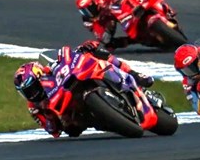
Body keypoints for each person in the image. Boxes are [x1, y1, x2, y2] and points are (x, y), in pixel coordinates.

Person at [13, 39, 154, 138]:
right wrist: (50, 116)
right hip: (79, 118)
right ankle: (115, 120)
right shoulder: (35, 107)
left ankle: (134, 75)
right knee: (72, 129)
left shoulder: (50, 72)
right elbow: (53, 131)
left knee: (94, 52)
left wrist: (81, 51)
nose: (31, 94)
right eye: (26, 92)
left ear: (40, 77)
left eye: (32, 88)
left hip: (75, 83)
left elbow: (64, 59)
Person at [74, 0, 150, 51]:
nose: (86, 12)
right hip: (106, 22)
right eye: (83, 10)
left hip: (115, 10)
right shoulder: (87, 20)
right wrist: (99, 21)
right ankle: (133, 40)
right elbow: (98, 33)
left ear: (93, 2)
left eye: (88, 8)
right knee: (107, 42)